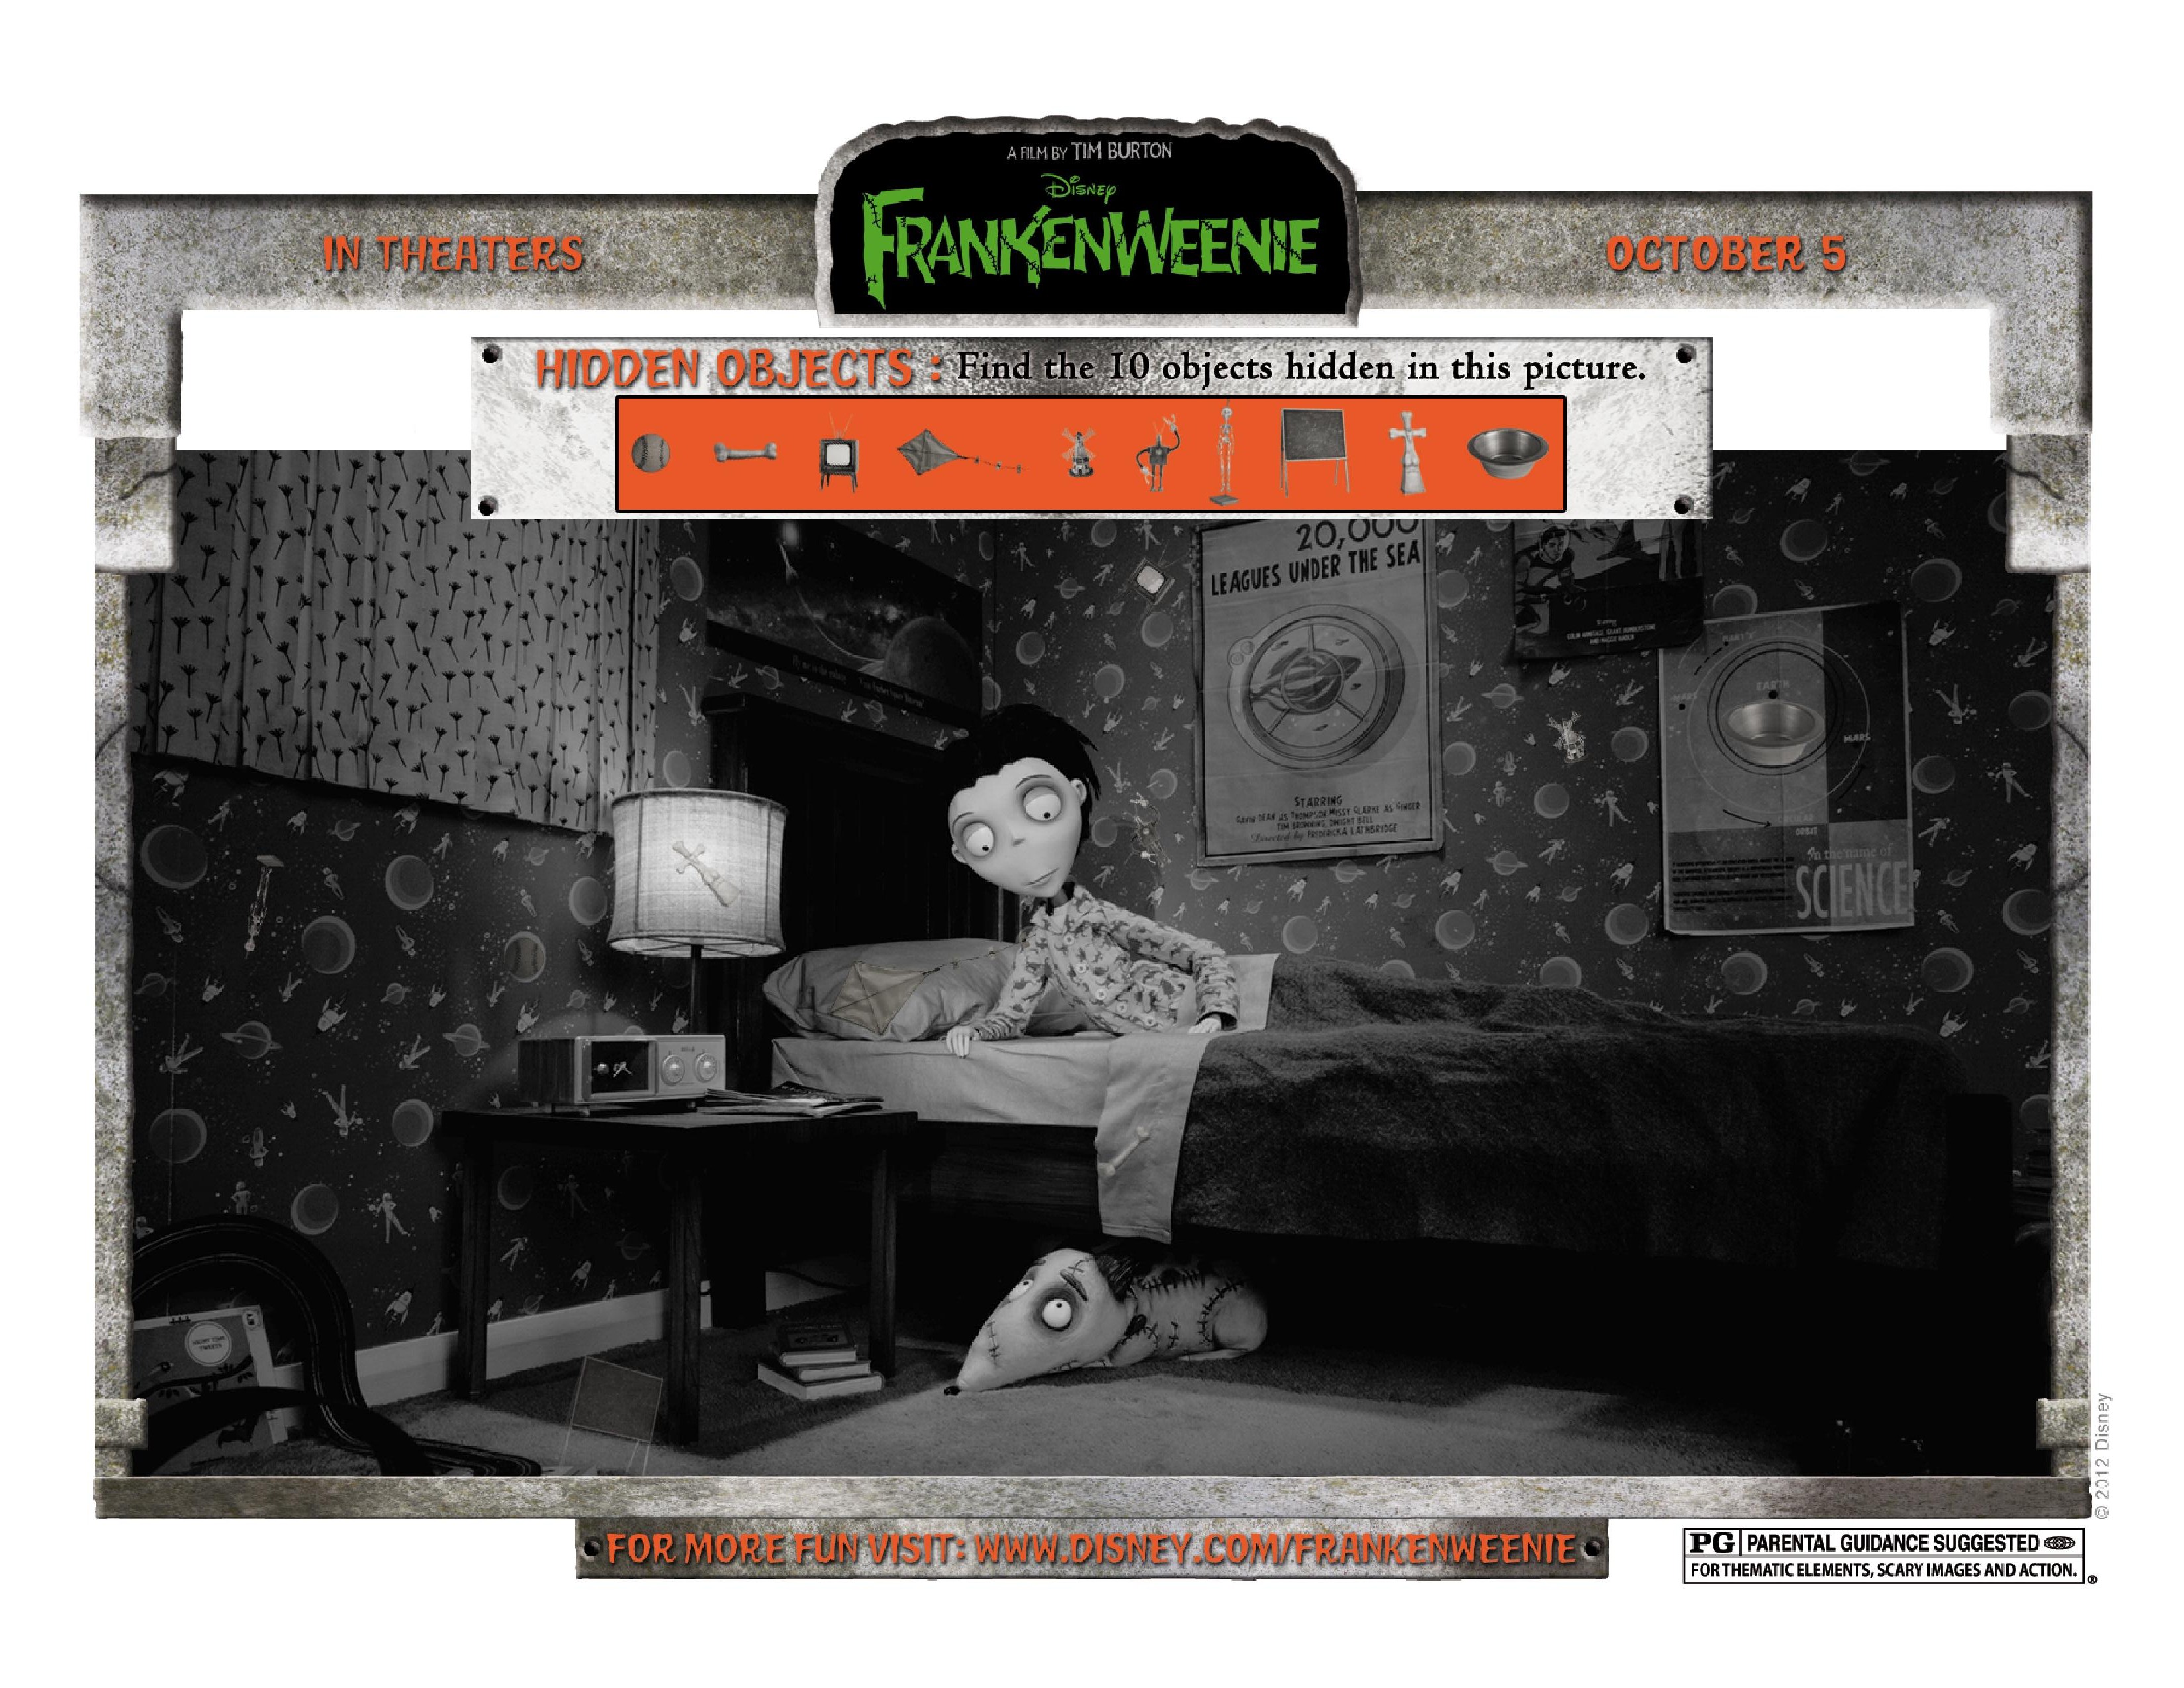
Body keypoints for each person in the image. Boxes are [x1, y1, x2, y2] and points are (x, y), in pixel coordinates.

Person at [940, 705, 1237, 1055]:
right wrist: (975, 1030)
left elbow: (1205, 952)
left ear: (1076, 792)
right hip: (1154, 1040)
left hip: (1187, 1010)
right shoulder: (1038, 944)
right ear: (962, 855)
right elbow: (1012, 1015)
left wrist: (1215, 1011)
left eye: (1042, 809)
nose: (1018, 840)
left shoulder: (1102, 917)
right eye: (982, 842)